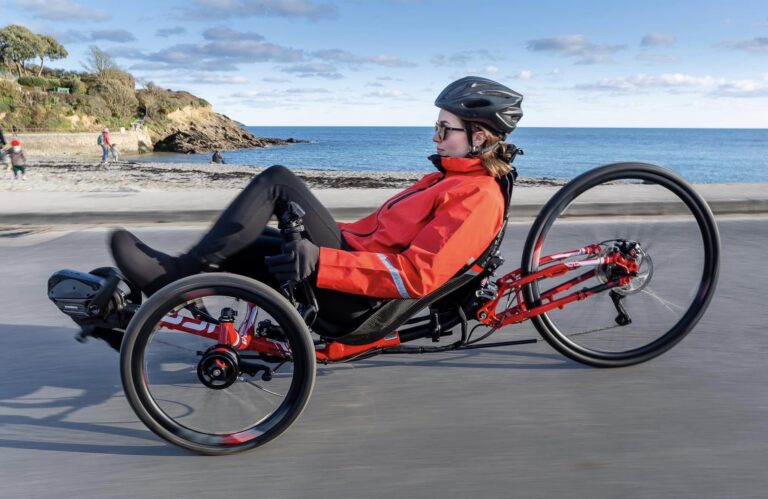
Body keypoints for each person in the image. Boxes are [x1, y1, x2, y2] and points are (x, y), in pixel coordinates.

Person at [110, 76, 523, 326]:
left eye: (444, 128)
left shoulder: (477, 197)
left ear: (479, 137)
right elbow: (374, 235)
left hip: (357, 301)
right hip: (352, 268)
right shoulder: (445, 179)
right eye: (435, 125)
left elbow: (416, 277)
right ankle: (172, 290)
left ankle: (170, 278)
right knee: (249, 243)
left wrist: (322, 260)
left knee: (278, 182)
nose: (434, 135)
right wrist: (316, 240)